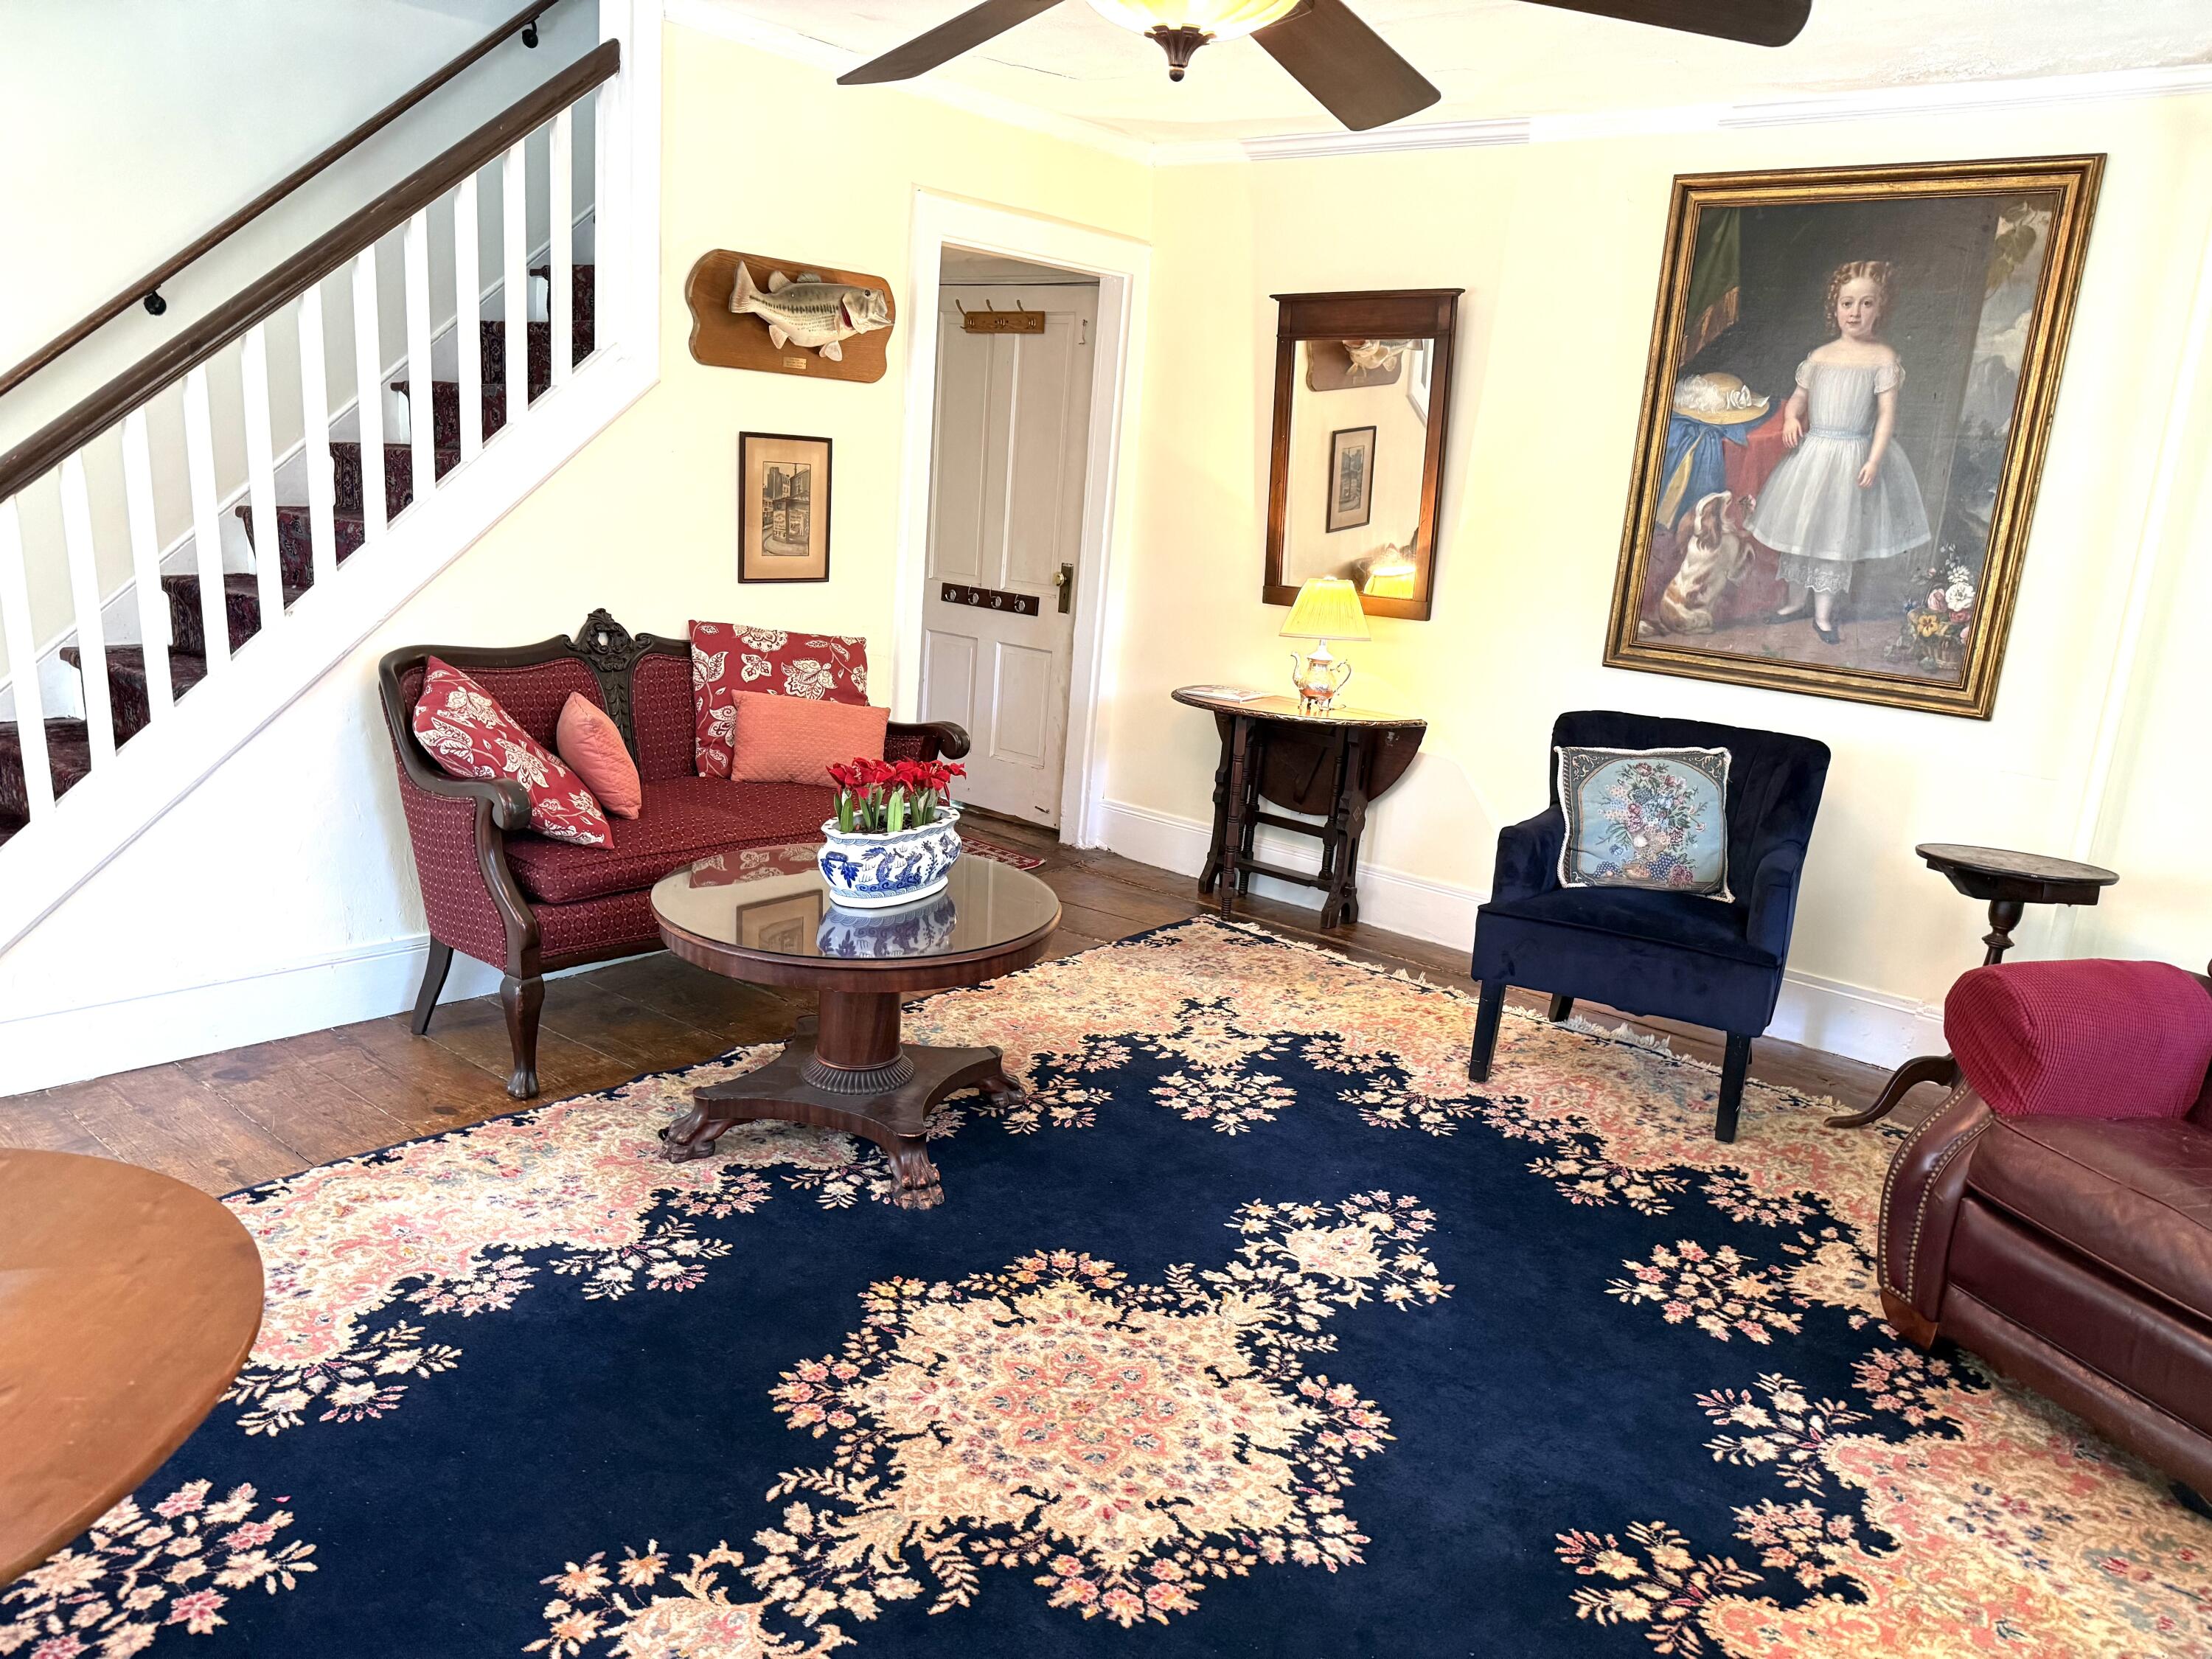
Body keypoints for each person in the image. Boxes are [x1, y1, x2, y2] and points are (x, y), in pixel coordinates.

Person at [1747, 260, 1932, 644]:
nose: (1856, 312)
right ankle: (1795, 602)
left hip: (1852, 455)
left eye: (1867, 304)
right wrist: (1790, 420)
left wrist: (1874, 459)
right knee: (1803, 528)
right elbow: (1798, 400)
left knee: (1835, 532)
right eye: (1848, 303)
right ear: (1835, 308)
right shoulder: (1819, 356)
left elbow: (1885, 417)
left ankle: (1824, 616)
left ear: (1880, 309)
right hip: (1814, 455)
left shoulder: (1883, 358)